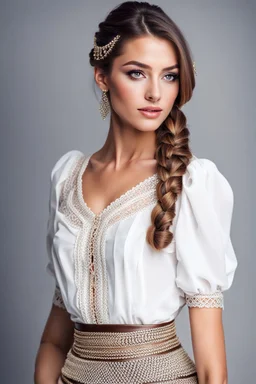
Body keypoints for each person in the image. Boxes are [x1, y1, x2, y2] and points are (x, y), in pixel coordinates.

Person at [34, 1, 238, 383]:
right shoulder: (67, 177)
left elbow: (213, 369)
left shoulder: (192, 184)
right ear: (102, 76)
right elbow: (54, 341)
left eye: (169, 76)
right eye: (136, 73)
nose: (155, 93)